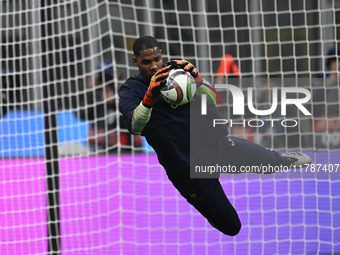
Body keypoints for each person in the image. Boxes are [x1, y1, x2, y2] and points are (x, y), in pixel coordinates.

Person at [118, 36, 311, 236]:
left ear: (161, 55)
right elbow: (134, 126)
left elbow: (213, 97)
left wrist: (198, 79)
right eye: (146, 62)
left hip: (219, 147)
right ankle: (208, 205)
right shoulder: (132, 89)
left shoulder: (177, 72)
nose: (154, 66)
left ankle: (283, 159)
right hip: (188, 171)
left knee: (272, 161)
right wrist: (150, 96)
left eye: (157, 59)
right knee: (231, 226)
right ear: (136, 62)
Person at [77, 62, 142, 153]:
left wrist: (114, 100)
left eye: (109, 78)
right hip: (100, 148)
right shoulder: (96, 99)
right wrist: (89, 92)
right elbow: (82, 115)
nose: (106, 82)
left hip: (126, 149)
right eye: (102, 78)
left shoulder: (126, 94)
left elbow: (133, 121)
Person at [312, 47, 340, 149]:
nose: (338, 65)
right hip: (321, 134)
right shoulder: (319, 83)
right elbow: (313, 106)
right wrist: (330, 82)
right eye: (335, 61)